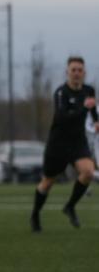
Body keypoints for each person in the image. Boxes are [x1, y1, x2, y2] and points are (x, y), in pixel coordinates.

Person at [30, 57, 98, 231]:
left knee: (88, 172)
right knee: (47, 183)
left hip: (77, 142)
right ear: (67, 72)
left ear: (84, 73)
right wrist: (83, 107)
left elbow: (91, 109)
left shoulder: (89, 90)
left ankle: (70, 206)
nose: (76, 73)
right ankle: (35, 214)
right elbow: (62, 118)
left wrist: (96, 121)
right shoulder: (61, 93)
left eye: (79, 70)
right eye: (73, 70)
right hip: (58, 143)